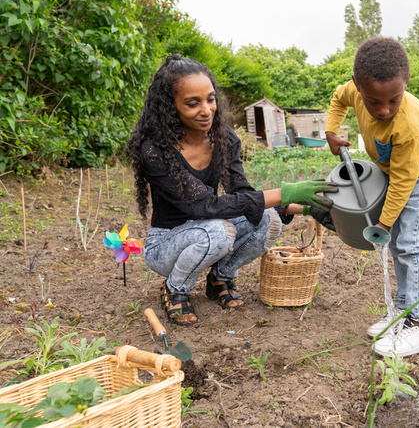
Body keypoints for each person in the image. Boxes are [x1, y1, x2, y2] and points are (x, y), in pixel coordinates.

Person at [127, 54, 337, 327]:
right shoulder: (156, 151)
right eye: (193, 103)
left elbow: (243, 194)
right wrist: (286, 193)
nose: (206, 110)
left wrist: (303, 207)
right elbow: (204, 207)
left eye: (210, 99)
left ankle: (220, 277)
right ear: (170, 107)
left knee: (267, 219)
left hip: (210, 231)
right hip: (166, 245)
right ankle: (175, 289)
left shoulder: (224, 138)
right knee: (217, 231)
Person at [325, 37, 419, 357]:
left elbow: (405, 180)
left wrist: (382, 223)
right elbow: (338, 98)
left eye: (393, 100)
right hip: (397, 176)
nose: (383, 110)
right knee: (397, 245)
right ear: (358, 86)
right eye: (373, 101)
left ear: (405, 84)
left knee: (411, 245)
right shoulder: (352, 90)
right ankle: (402, 315)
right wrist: (330, 130)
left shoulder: (409, 121)